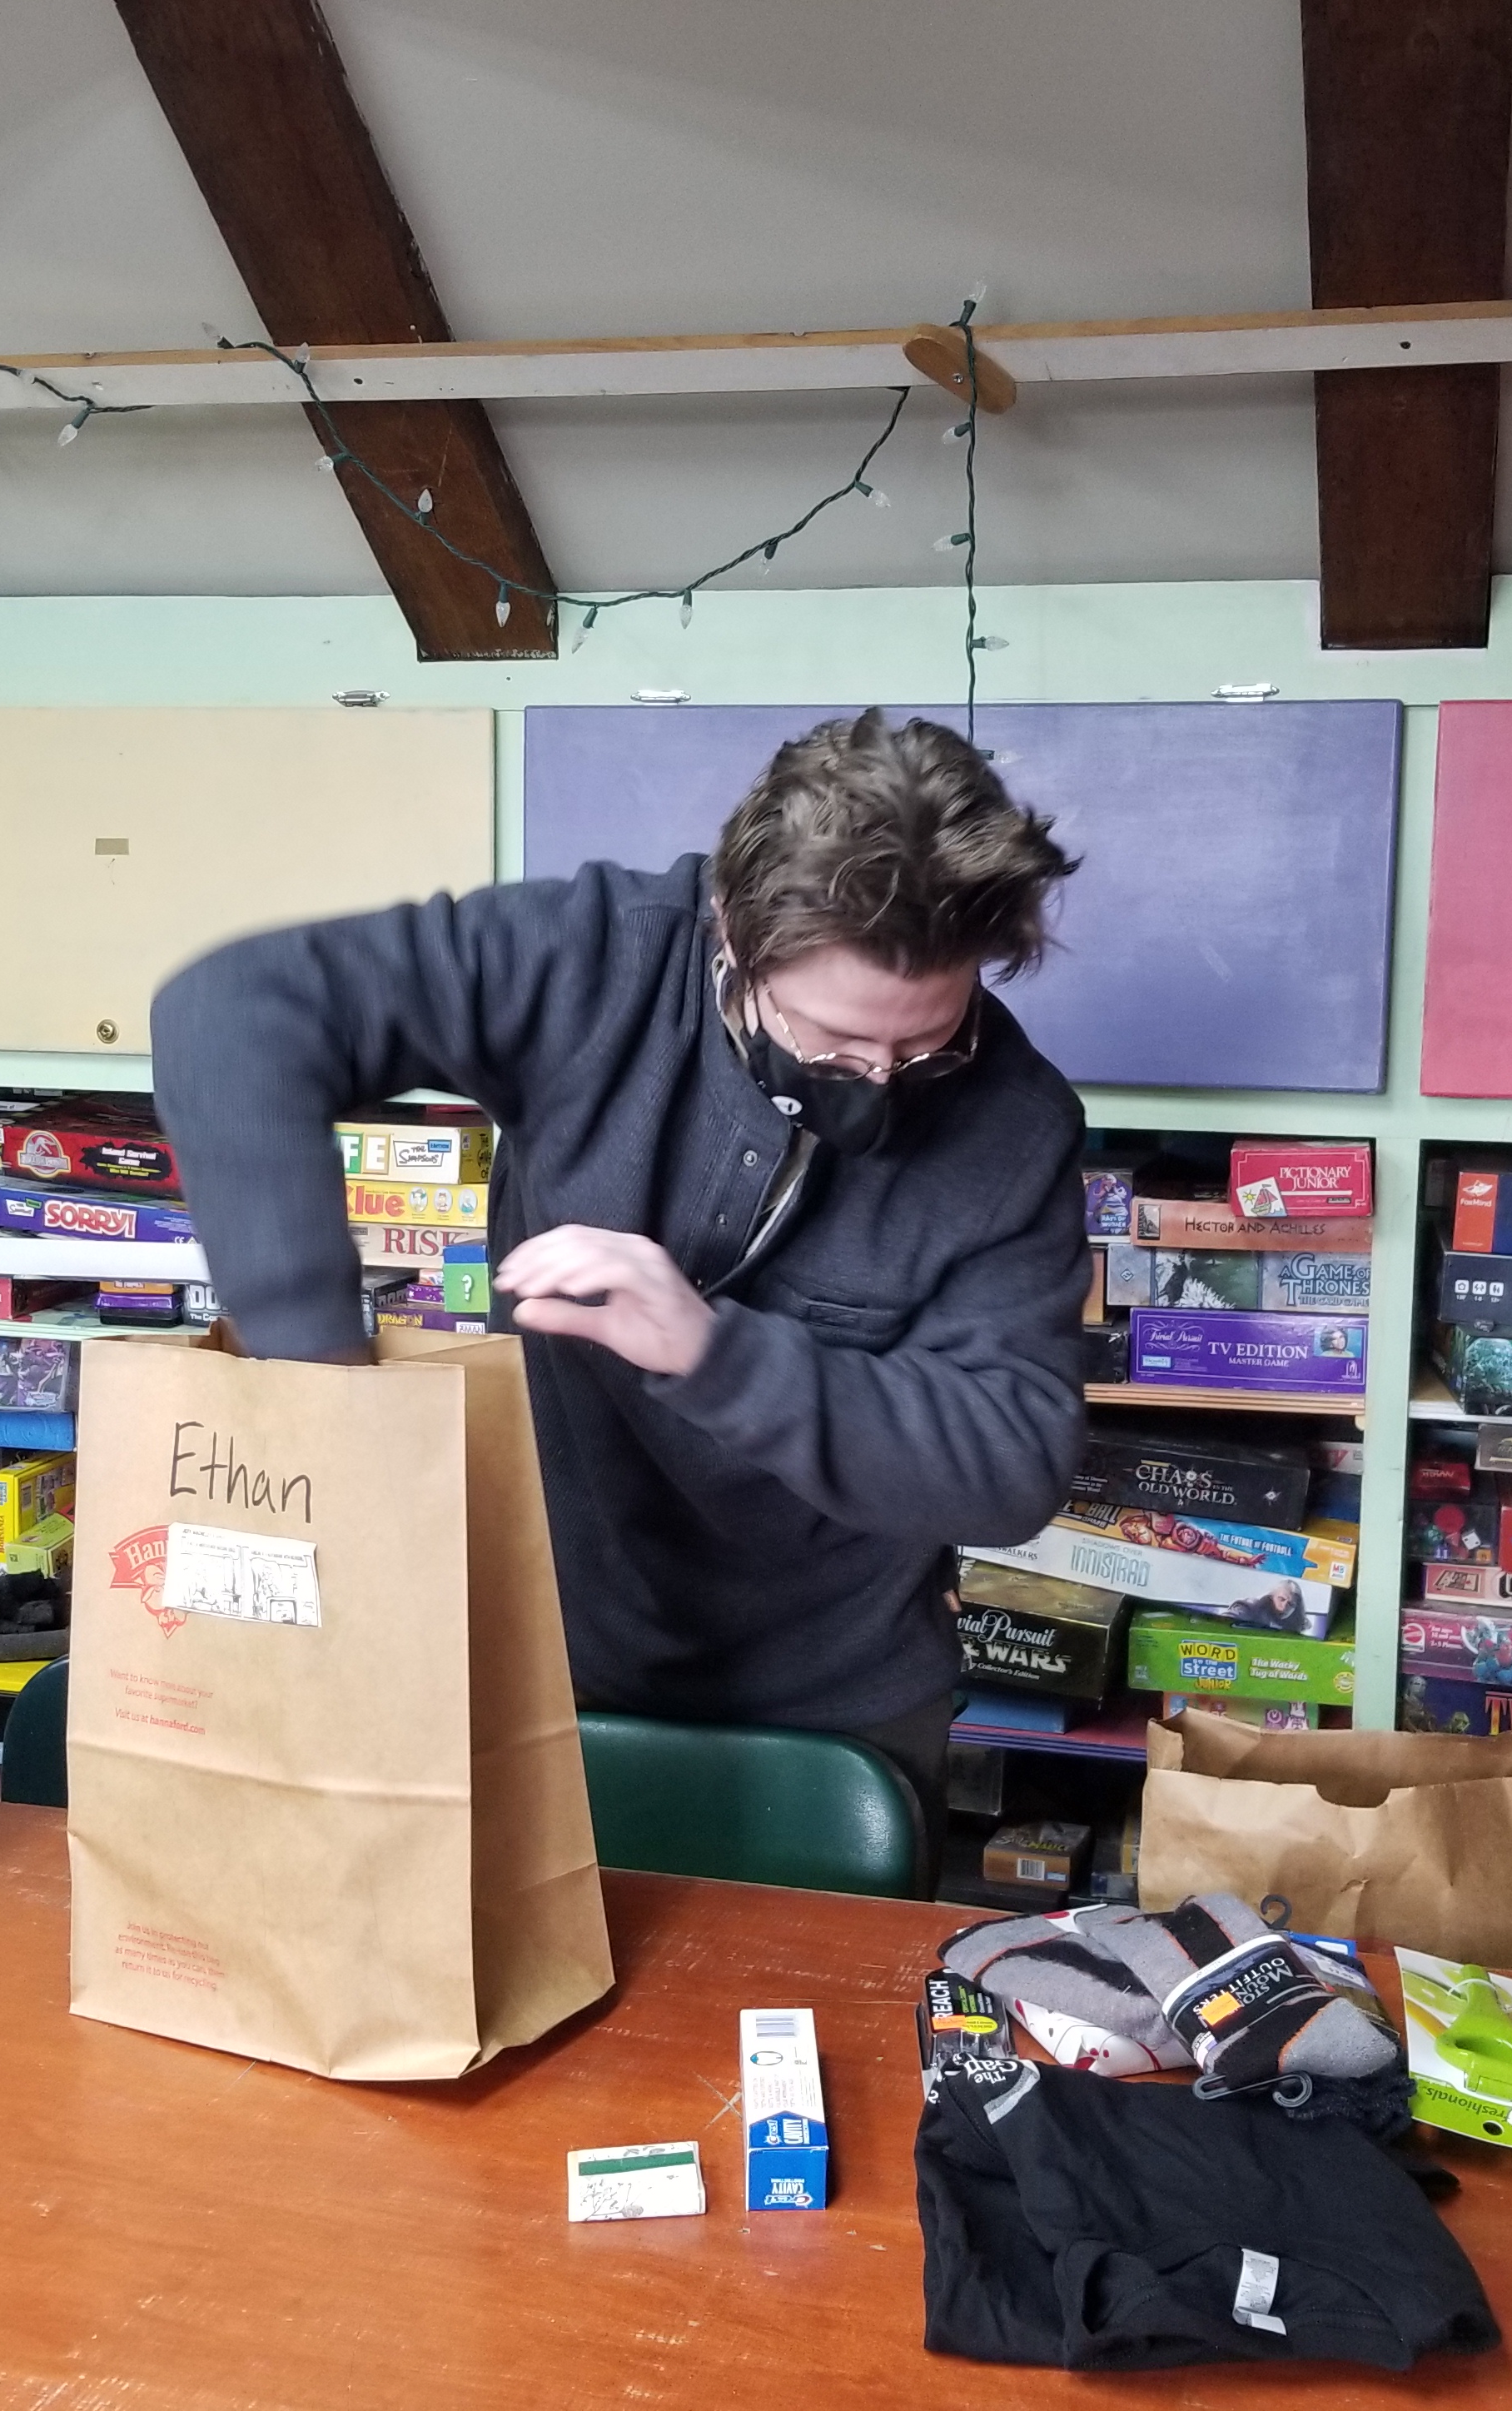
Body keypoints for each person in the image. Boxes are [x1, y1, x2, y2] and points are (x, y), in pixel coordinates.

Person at [150, 709, 1092, 1870]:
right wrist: (324, 1391)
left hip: (841, 1704)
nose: (884, 1085)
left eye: (927, 1046)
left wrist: (709, 1349)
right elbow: (231, 1012)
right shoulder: (593, 956)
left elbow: (1009, 1466)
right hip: (540, 1642)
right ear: (734, 936)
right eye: (838, 1045)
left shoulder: (1015, 1123)